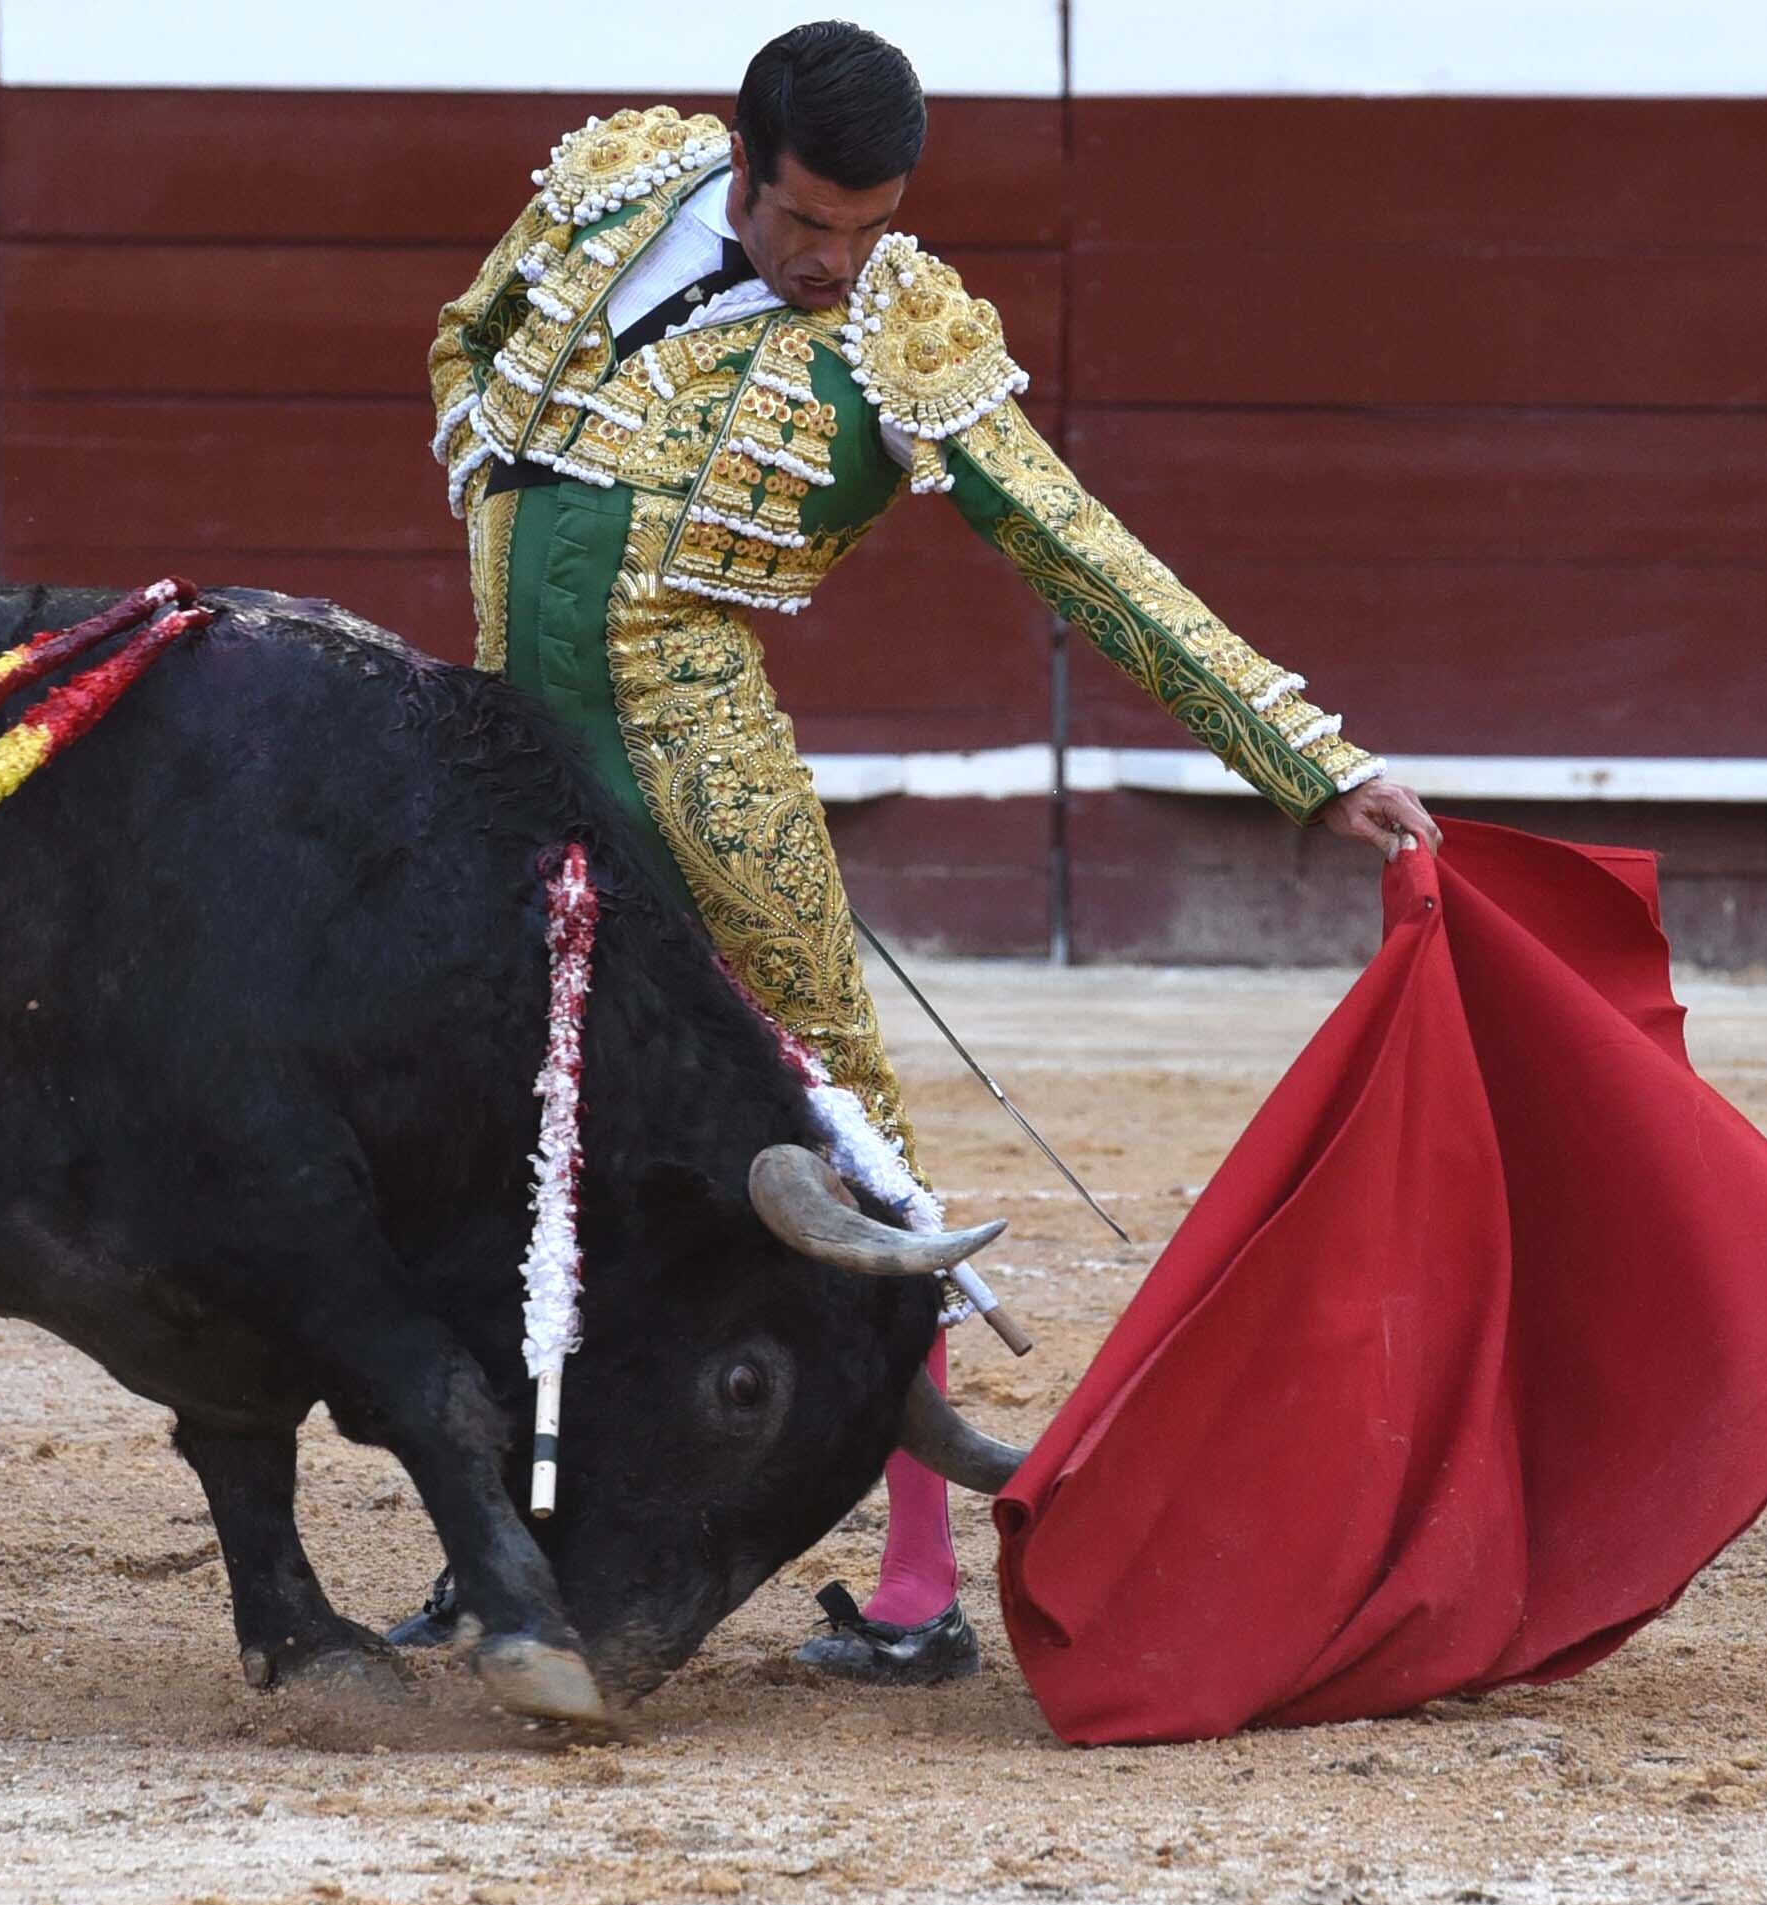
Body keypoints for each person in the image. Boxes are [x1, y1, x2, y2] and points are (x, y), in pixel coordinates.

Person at [393, 19, 1442, 1683]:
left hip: (703, 782)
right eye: (810, 223)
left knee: (847, 1156)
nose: (836, 262)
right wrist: (486, 483)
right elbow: (466, 342)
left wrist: (1302, 758)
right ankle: (509, 1545)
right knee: (526, 1151)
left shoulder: (905, 333)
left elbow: (1083, 554)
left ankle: (915, 1584)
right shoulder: (610, 192)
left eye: (869, 227)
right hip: (508, 774)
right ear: (740, 168)